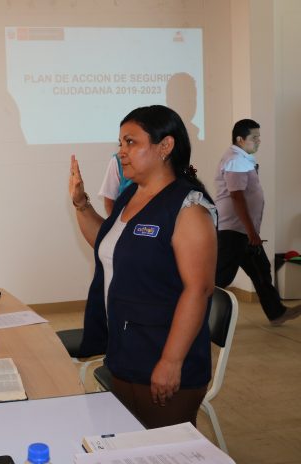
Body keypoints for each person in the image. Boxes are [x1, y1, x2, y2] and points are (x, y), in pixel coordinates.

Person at [70, 105, 217, 428]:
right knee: (129, 442)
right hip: (126, 354)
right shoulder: (131, 196)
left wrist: (171, 361)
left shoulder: (189, 208)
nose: (121, 152)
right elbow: (110, 245)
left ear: (165, 146)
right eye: (120, 143)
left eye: (131, 142)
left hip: (163, 358)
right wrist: (81, 204)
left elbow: (199, 289)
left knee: (165, 448)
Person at [214, 119, 301, 326]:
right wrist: (251, 231)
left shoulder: (242, 159)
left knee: (260, 269)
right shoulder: (235, 160)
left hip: (242, 230)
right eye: (254, 137)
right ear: (240, 139)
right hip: (234, 230)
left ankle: (276, 313)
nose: (259, 141)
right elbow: (237, 197)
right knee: (221, 276)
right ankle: (193, 313)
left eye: (259, 137)